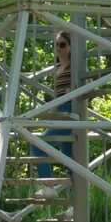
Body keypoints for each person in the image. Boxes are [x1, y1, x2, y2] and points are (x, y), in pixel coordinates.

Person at [34, 31, 77, 200]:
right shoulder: (57, 69)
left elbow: (88, 84)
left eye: (63, 44)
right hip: (59, 112)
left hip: (70, 112)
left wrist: (71, 92)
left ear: (71, 47)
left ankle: (48, 186)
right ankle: (76, 204)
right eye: (56, 45)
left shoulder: (75, 65)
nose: (58, 48)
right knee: (69, 161)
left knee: (38, 145)